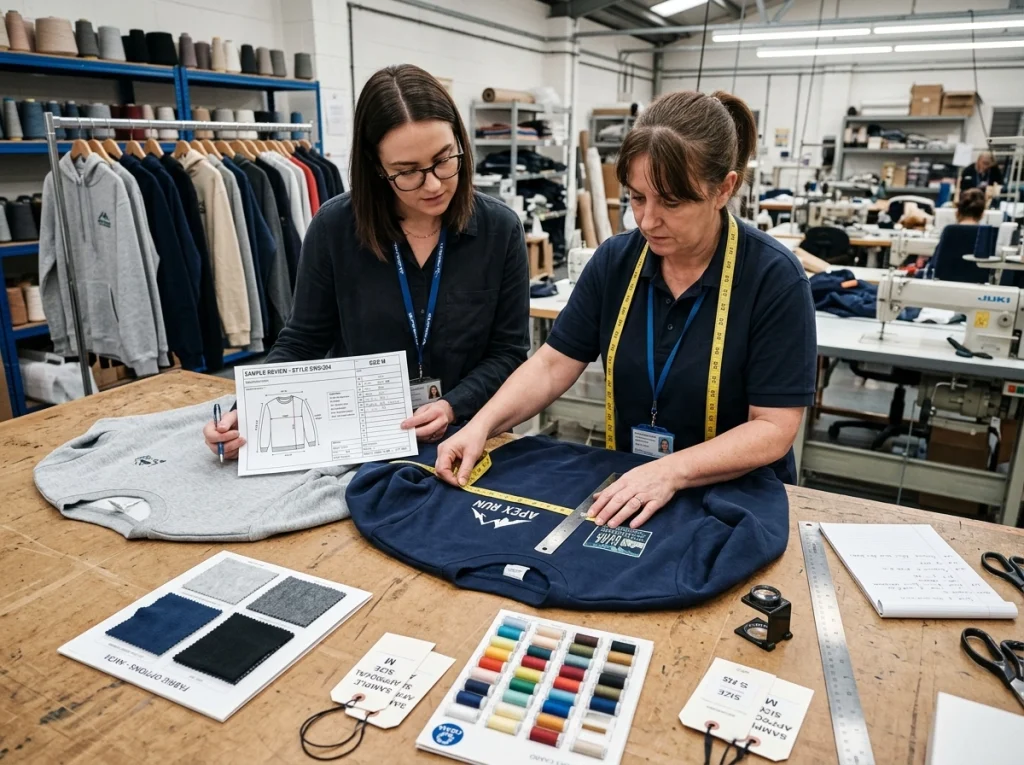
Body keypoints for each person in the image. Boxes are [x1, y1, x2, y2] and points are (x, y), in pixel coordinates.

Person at [436, 90, 817, 531]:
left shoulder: (774, 278)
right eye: (636, 198)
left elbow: (773, 426)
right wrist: (480, 426)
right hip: (634, 489)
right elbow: (553, 363)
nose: (647, 220)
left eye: (671, 202)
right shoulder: (617, 262)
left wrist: (670, 471)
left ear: (723, 189)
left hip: (735, 503)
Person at [204, 64, 530, 459]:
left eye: (445, 160)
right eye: (407, 172)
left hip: (474, 434)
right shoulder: (335, 228)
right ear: (377, 168)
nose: (433, 184)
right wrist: (246, 411)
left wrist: (452, 405)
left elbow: (509, 352)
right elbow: (304, 339)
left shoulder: (500, 229)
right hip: (365, 438)